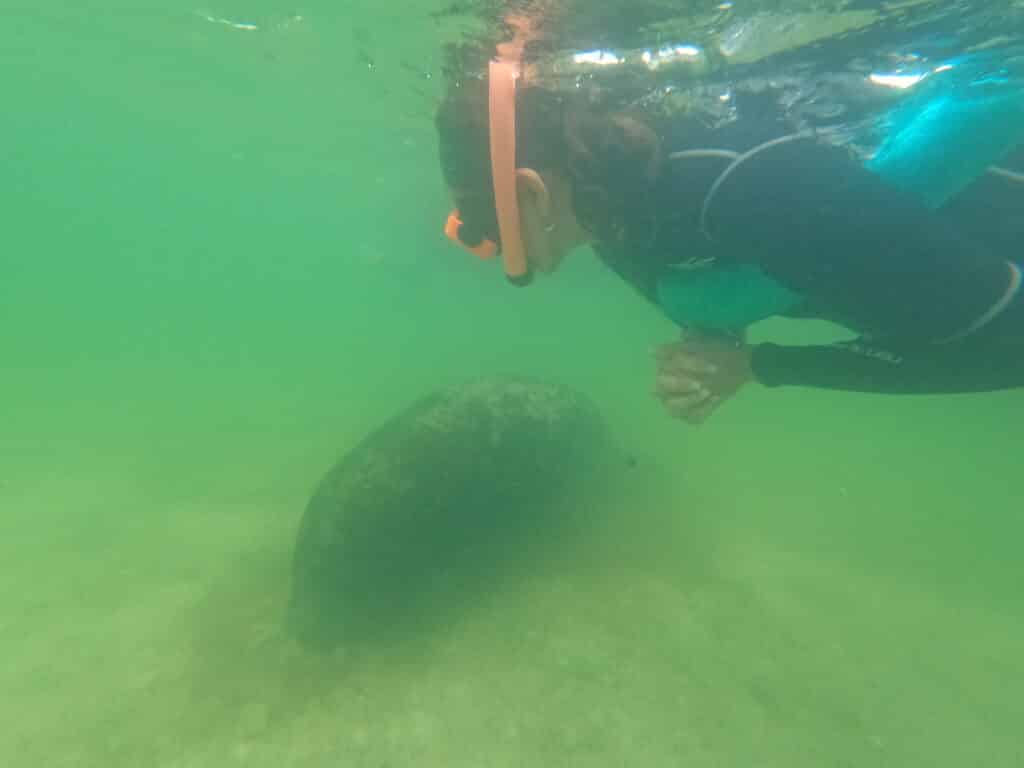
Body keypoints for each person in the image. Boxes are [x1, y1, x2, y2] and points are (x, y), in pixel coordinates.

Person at [435, 24, 1024, 424]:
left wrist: (762, 366)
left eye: (495, 239)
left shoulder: (754, 189)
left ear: (530, 192)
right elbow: (721, 285)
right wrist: (714, 348)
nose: (518, 264)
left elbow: (1006, 349)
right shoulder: (608, 205)